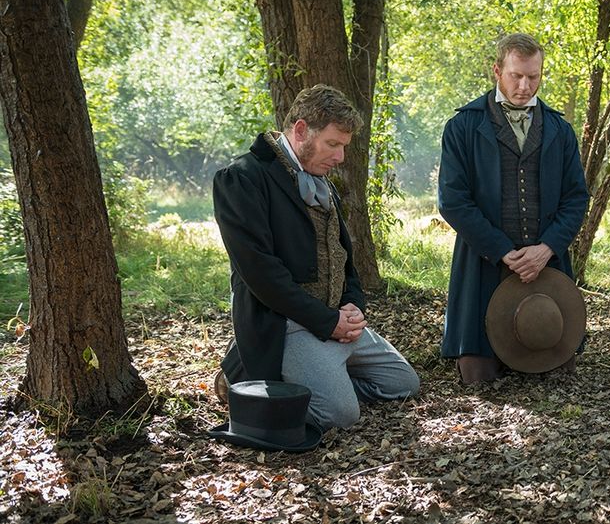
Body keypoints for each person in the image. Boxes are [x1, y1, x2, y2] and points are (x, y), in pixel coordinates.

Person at [213, 84, 420, 430]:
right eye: (333, 144)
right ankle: (248, 382)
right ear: (300, 130)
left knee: (402, 383)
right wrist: (327, 322)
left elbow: (343, 257)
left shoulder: (321, 182)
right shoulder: (241, 179)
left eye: (343, 146)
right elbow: (261, 273)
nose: (340, 157)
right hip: (287, 324)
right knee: (340, 415)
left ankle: (316, 382)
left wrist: (353, 306)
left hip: (334, 318)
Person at [438, 32, 589, 383]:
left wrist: (547, 248)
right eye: (516, 75)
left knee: (557, 366)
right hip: (484, 263)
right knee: (478, 375)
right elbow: (453, 201)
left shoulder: (559, 129)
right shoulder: (463, 127)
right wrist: (503, 251)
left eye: (533, 77)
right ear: (497, 71)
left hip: (546, 266)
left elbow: (576, 197)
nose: (524, 85)